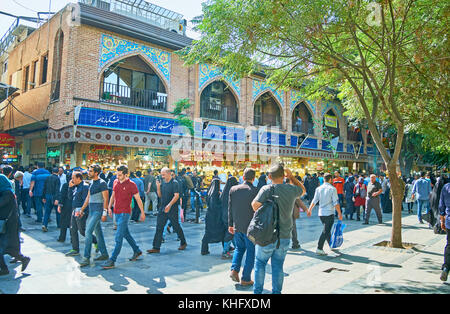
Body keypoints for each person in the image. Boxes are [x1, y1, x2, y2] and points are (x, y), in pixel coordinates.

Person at [251, 164, 304, 294]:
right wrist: (291, 176)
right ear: (284, 176)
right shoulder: (291, 189)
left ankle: (257, 292)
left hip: (266, 235)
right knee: (278, 266)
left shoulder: (266, 189)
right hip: (285, 236)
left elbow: (254, 206)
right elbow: (302, 190)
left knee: (260, 264)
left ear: (269, 176)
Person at [102, 165, 145, 269]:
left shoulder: (132, 184)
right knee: (126, 234)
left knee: (118, 237)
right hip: (116, 212)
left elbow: (138, 199)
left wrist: (142, 212)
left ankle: (112, 260)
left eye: (120, 175)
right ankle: (137, 250)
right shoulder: (116, 181)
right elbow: (113, 195)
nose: (118, 176)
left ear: (126, 174)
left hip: (125, 213)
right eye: (117, 174)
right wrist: (109, 207)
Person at [228, 169, 258, 286]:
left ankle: (234, 270)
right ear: (253, 178)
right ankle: (245, 278)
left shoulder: (233, 189)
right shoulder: (255, 191)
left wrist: (230, 224)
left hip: (237, 226)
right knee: (251, 252)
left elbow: (230, 208)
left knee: (239, 249)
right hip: (250, 228)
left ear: (243, 177)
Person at [147, 168, 187, 254]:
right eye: (161, 174)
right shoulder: (163, 183)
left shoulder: (174, 183)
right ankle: (156, 247)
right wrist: (158, 187)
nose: (162, 176)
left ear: (169, 173)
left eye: (163, 174)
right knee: (159, 227)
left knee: (176, 226)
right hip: (162, 208)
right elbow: (160, 195)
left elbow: (176, 196)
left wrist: (169, 205)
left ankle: (183, 242)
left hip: (172, 209)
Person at [78, 165, 109, 267]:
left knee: (88, 232)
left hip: (98, 211)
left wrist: (104, 213)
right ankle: (104, 254)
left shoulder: (102, 183)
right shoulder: (91, 183)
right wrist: (82, 209)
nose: (88, 173)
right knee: (98, 233)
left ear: (96, 172)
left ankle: (86, 257)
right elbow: (88, 197)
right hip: (92, 210)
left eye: (90, 171)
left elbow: (105, 199)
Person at [0, 174, 30, 276]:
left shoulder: (7, 193)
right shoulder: (4, 192)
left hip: (8, 224)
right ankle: (21, 259)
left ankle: (7, 267)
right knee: (6, 247)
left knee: (6, 247)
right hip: (5, 224)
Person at [307, 173, 343, 256]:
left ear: (324, 179)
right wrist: (340, 213)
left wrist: (310, 209)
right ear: (330, 179)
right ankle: (319, 248)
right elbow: (336, 202)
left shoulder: (318, 188)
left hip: (321, 213)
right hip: (329, 212)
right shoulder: (332, 189)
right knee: (326, 231)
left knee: (327, 229)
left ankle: (331, 244)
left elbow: (314, 200)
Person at [65, 172, 96, 257]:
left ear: (79, 178)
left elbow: (85, 201)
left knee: (82, 230)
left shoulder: (85, 187)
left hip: (81, 211)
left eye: (73, 178)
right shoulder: (75, 186)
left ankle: (96, 241)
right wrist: (70, 188)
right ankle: (75, 249)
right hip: (74, 210)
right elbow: (70, 197)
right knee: (72, 230)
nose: (72, 180)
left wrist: (82, 211)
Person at [200, 178, 227, 257]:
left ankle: (204, 249)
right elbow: (216, 205)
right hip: (216, 216)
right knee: (222, 231)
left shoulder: (209, 192)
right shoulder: (215, 194)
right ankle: (226, 248)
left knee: (208, 233)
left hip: (209, 216)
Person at [220, 176, 238, 259]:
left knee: (230, 233)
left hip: (223, 215)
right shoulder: (233, 192)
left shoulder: (224, 192)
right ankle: (225, 252)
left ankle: (236, 247)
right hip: (230, 216)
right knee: (230, 233)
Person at [42, 168, 61, 232]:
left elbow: (44, 187)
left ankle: (44, 224)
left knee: (47, 211)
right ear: (58, 172)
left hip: (47, 195)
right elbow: (57, 189)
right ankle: (59, 224)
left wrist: (43, 197)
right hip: (54, 196)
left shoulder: (47, 178)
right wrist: (57, 199)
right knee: (57, 211)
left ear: (52, 171)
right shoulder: (57, 179)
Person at [56, 175, 74, 243]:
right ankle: (73, 239)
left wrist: (60, 205)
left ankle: (62, 238)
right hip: (72, 206)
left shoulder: (65, 185)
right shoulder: (76, 185)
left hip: (65, 206)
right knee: (72, 223)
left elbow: (62, 195)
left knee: (63, 222)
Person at [439, 181, 450, 282]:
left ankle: (446, 268)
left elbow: (441, 206)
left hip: (449, 221)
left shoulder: (446, 187)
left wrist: (442, 220)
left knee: (449, 245)